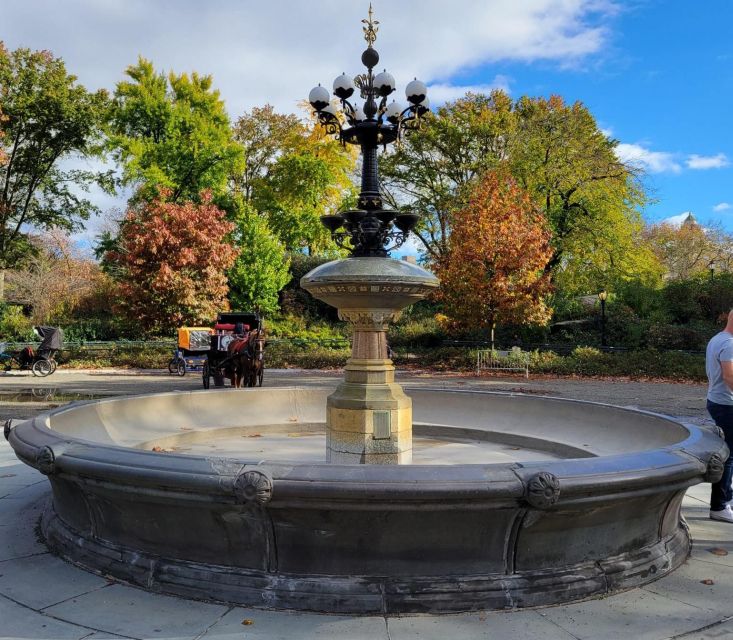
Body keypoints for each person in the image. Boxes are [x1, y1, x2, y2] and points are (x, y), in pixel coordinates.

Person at [706, 308, 733, 522]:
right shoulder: (729, 343)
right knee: (729, 456)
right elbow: (729, 376)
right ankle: (719, 506)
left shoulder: (717, 339)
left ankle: (725, 498)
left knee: (728, 453)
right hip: (727, 405)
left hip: (716, 401)